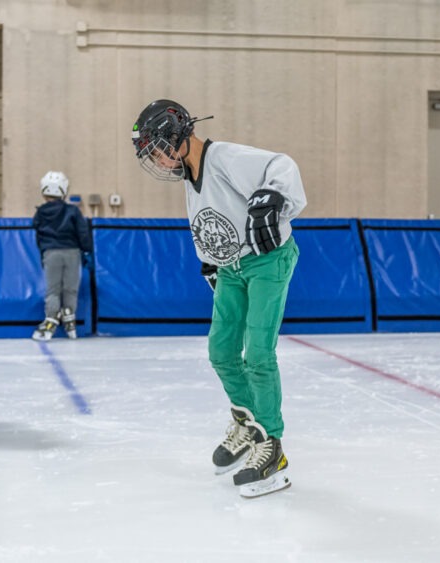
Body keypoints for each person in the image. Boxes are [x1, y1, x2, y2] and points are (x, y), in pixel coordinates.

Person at [131, 99, 307, 498]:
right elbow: (209, 219)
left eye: (157, 148)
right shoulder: (189, 175)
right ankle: (248, 422)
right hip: (232, 268)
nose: (158, 160)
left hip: (268, 261)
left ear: (177, 135)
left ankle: (272, 446)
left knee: (258, 354)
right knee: (221, 351)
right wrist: (210, 262)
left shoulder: (224, 156)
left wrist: (271, 197)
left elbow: (282, 165)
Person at [31, 171, 93, 341]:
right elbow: (83, 233)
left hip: (51, 253)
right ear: (63, 189)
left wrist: (44, 251)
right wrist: (87, 251)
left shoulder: (40, 213)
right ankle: (70, 320)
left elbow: (38, 234)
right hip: (72, 253)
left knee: (53, 290)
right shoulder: (73, 211)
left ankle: (50, 320)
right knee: (70, 289)